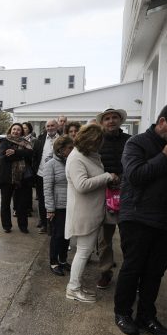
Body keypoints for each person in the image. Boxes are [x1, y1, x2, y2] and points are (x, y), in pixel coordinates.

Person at [113, 105, 167, 335]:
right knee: (133, 267)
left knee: (155, 272)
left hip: (164, 220)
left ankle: (146, 316)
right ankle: (122, 313)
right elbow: (135, 176)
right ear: (163, 121)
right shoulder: (136, 143)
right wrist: (164, 156)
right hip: (137, 216)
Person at [65, 124, 117, 303]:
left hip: (91, 211)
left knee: (84, 251)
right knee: (83, 252)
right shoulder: (76, 158)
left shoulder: (88, 155)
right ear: (90, 141)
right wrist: (107, 177)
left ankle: (75, 286)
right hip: (84, 213)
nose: (100, 145)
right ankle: (73, 289)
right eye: (98, 142)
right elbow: (81, 185)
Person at [95, 108, 131, 290]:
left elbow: (135, 164)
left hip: (127, 196)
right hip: (104, 194)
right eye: (107, 118)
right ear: (102, 122)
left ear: (120, 120)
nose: (111, 121)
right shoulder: (96, 142)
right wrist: (107, 178)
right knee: (104, 239)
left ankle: (131, 274)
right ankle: (106, 272)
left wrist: (122, 180)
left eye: (114, 117)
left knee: (129, 239)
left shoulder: (130, 141)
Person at [44, 136, 74, 275]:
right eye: (70, 148)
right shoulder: (51, 164)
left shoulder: (71, 162)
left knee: (67, 235)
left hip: (71, 205)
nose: (72, 150)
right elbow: (47, 188)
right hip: (58, 207)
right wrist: (50, 208)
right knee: (58, 235)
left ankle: (63, 260)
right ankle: (53, 262)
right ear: (61, 149)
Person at [0, 123, 33, 233]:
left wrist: (15, 152)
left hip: (22, 177)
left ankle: (23, 226)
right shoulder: (4, 141)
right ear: (10, 130)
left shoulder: (26, 143)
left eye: (18, 130)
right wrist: (22, 154)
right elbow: (5, 156)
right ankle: (7, 226)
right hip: (7, 177)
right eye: (14, 129)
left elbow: (30, 154)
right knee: (5, 203)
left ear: (21, 132)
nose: (16, 131)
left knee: (22, 204)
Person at [33, 119, 60, 234]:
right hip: (41, 174)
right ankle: (44, 224)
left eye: (52, 125)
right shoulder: (40, 138)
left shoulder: (62, 138)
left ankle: (54, 225)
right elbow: (35, 154)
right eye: (48, 126)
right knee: (42, 201)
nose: (50, 128)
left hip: (57, 175)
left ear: (57, 126)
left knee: (56, 200)